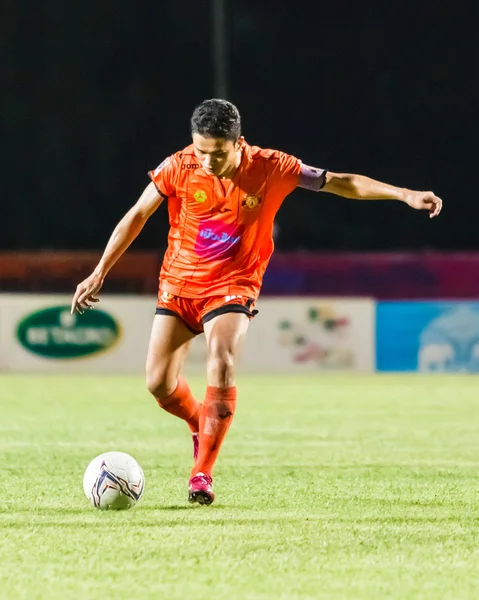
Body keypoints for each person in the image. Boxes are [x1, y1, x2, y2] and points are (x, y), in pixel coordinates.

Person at [71, 98, 442, 505]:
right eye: (201, 151)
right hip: (178, 284)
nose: (208, 161)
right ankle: (201, 422)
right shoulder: (178, 165)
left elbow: (340, 181)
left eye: (217, 153)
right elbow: (136, 215)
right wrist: (100, 271)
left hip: (234, 283)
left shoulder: (271, 166)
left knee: (223, 359)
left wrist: (403, 194)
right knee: (158, 383)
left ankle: (201, 474)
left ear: (238, 143)